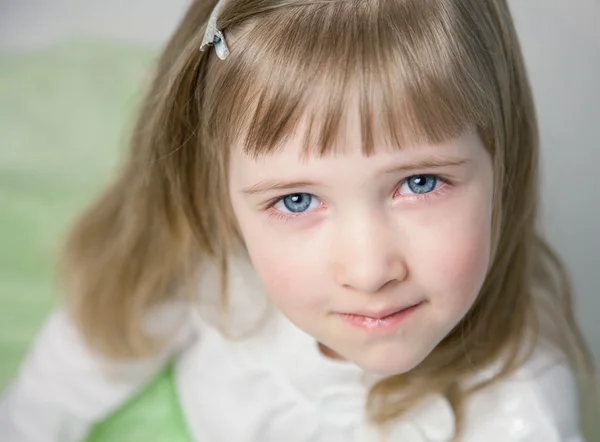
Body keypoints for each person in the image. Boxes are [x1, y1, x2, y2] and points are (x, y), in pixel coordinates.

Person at [0, 0, 596, 440]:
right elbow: (76, 366)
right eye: (297, 200)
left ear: (503, 161)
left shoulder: (523, 417)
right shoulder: (206, 262)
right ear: (220, 197)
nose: (368, 270)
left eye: (419, 182)